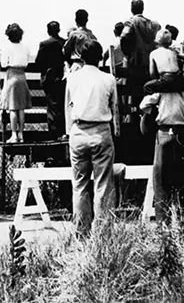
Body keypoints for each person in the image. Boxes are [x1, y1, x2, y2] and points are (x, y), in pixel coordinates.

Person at [65, 40, 120, 234]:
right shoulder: (109, 79)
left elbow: (68, 105)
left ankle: (81, 231)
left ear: (80, 56)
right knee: (103, 183)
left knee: (79, 184)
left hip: (78, 131)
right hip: (101, 131)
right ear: (100, 57)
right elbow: (113, 105)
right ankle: (104, 232)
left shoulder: (72, 78)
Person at [140, 66, 184, 224]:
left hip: (164, 133)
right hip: (182, 134)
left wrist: (154, 111)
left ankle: (163, 220)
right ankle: (183, 218)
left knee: (161, 178)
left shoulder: (160, 93)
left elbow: (143, 105)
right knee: (182, 177)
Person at [0, 23, 32, 143]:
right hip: (22, 76)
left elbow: (3, 64)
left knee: (13, 108)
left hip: (12, 76)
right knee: (21, 109)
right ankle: (21, 134)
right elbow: (26, 63)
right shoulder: (25, 48)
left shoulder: (6, 48)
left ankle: (14, 135)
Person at [36, 21, 67, 138]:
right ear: (59, 30)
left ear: (48, 31)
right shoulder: (63, 42)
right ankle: (62, 132)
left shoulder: (44, 44)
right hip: (61, 78)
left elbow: (38, 62)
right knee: (61, 106)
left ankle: (53, 133)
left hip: (49, 79)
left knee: (51, 108)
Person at [144, 29, 184, 96]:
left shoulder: (153, 53)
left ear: (157, 42)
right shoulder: (174, 51)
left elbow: (152, 73)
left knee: (147, 86)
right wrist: (180, 54)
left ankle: (155, 104)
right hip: (179, 81)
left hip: (166, 80)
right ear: (171, 41)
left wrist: (157, 80)